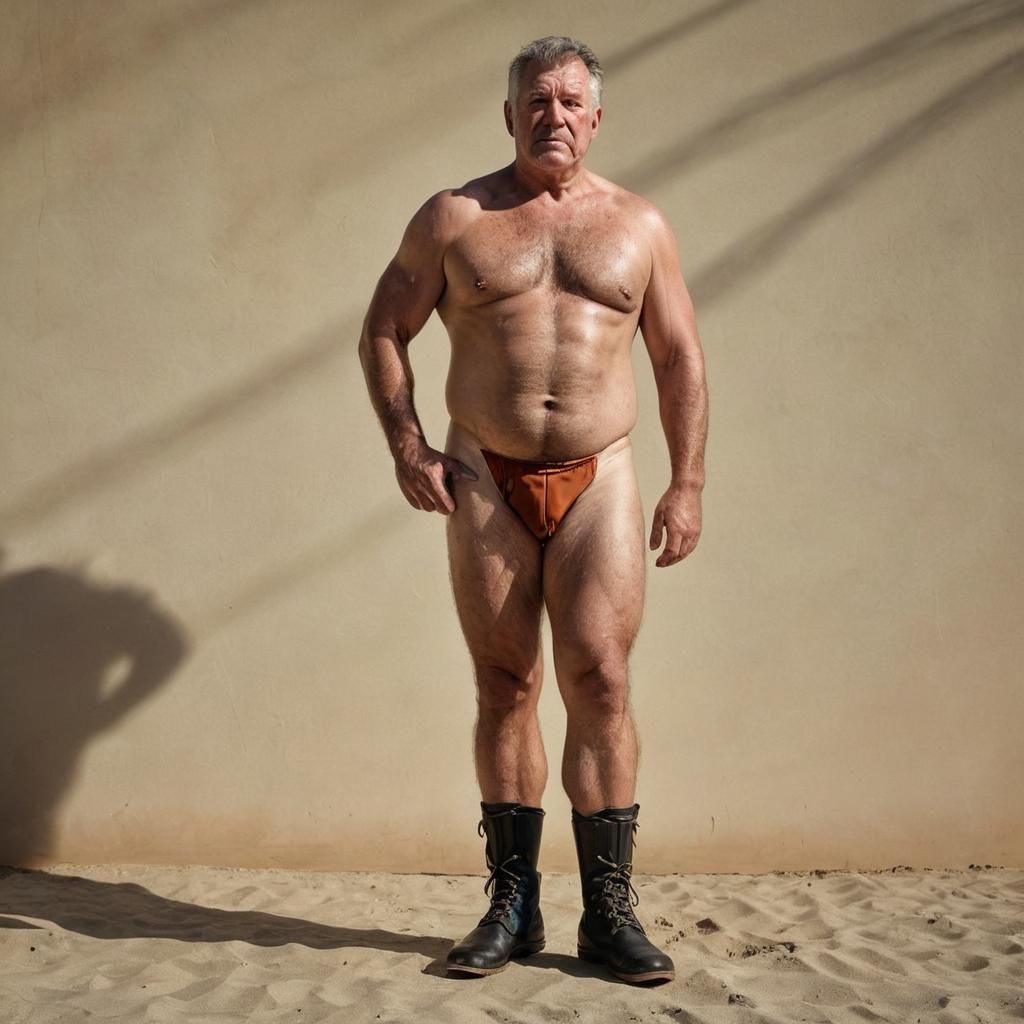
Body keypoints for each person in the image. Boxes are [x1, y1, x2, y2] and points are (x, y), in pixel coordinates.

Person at [358, 35, 708, 985]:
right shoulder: (455, 218)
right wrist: (408, 445)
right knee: (505, 683)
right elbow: (384, 327)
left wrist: (687, 483)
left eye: (570, 102)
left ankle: (609, 913)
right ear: (508, 116)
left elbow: (677, 359)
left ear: (595, 117)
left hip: (603, 475)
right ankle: (511, 906)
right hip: (485, 475)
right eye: (535, 102)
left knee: (599, 679)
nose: (553, 116)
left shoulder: (640, 225)